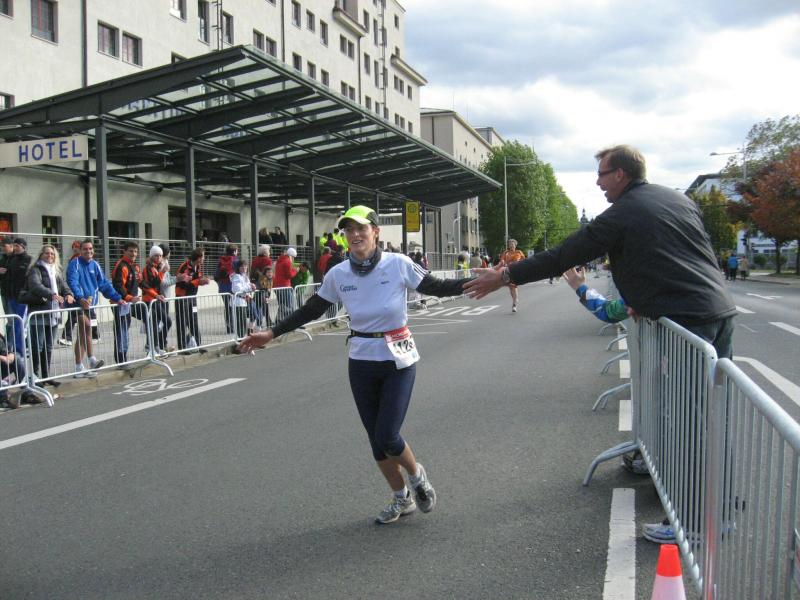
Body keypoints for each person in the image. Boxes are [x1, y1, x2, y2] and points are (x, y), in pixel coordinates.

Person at [465, 144, 737, 543]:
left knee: (688, 422)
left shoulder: (624, 212)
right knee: (714, 417)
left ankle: (696, 522)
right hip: (718, 312)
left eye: (602, 174)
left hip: (687, 319)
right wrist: (646, 298)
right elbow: (687, 257)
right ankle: (722, 508)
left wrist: (504, 276)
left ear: (621, 174)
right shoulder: (676, 200)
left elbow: (564, 254)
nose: (598, 182)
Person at [238, 205, 474, 525]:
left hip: (398, 359)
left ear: (375, 232)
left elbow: (436, 287)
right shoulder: (339, 274)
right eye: (349, 230)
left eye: (361, 228)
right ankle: (401, 498)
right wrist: (271, 333)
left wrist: (483, 280)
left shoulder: (398, 264)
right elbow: (312, 309)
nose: (355, 234)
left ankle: (417, 476)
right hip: (362, 360)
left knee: (388, 434)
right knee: (376, 441)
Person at [66, 239, 126, 378]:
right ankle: (89, 360)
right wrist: (80, 297)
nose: (88, 251)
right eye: (85, 249)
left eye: (90, 248)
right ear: (80, 251)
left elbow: (104, 284)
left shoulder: (95, 265)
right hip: (78, 303)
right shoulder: (75, 264)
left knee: (85, 332)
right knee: (85, 328)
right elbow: (72, 282)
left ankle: (81, 366)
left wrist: (117, 298)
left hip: (90, 304)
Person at [24, 244, 74, 391]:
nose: (50, 256)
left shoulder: (56, 270)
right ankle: (35, 376)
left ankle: (46, 376)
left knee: (48, 346)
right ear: (41, 255)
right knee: (37, 346)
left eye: (52, 254)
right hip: (39, 312)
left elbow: (64, 286)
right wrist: (52, 295)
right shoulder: (36, 269)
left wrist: (69, 294)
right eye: (47, 253)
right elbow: (35, 286)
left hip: (54, 313)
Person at [111, 241, 145, 365]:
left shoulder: (134, 266)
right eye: (130, 251)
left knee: (126, 329)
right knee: (122, 331)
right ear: (124, 251)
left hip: (130, 303)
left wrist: (155, 294)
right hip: (120, 303)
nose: (133, 254)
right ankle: (121, 360)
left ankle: (153, 348)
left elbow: (139, 283)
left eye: (135, 251)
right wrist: (129, 298)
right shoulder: (121, 266)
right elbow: (118, 286)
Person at [175, 248, 210, 351]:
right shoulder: (184, 266)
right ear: (198, 258)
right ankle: (182, 348)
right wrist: (198, 282)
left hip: (192, 298)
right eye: (203, 256)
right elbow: (183, 284)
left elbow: (196, 280)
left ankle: (198, 345)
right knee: (182, 323)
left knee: (194, 321)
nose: (204, 258)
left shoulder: (198, 266)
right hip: (182, 298)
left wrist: (203, 281)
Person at [141, 245, 170, 355]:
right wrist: (162, 272)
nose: (159, 258)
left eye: (160, 256)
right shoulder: (148, 268)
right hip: (149, 300)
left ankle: (155, 346)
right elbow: (153, 283)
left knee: (159, 323)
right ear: (151, 256)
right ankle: (154, 347)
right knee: (160, 322)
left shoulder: (156, 267)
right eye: (156, 255)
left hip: (156, 299)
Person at [6, 237, 32, 354]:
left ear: (23, 247)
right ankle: (17, 349)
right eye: (14, 245)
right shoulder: (12, 260)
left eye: (17, 246)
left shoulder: (29, 260)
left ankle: (20, 351)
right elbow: (9, 278)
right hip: (12, 297)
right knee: (15, 323)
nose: (15, 248)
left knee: (19, 324)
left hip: (23, 298)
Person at [58, 241, 84, 346]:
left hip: (79, 292)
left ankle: (67, 337)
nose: (75, 249)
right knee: (75, 314)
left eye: (77, 247)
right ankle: (95, 335)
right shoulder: (74, 259)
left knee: (75, 314)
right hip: (75, 291)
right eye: (74, 247)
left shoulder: (79, 260)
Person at [215, 244, 239, 334]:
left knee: (227, 307)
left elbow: (216, 275)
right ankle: (235, 326)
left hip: (222, 288)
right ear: (235, 251)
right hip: (233, 288)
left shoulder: (221, 261)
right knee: (235, 307)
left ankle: (229, 327)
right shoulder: (236, 261)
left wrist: (220, 284)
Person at [231, 259, 256, 338]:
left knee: (252, 316)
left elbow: (247, 286)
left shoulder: (245, 276)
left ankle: (248, 333)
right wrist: (250, 288)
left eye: (245, 266)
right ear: (238, 268)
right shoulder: (236, 276)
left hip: (245, 300)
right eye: (242, 266)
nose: (244, 268)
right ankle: (241, 339)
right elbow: (237, 289)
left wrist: (252, 287)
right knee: (241, 322)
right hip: (238, 302)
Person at [499, 239, 525, 313]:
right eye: (509, 244)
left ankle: (514, 304)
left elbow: (524, 260)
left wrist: (521, 266)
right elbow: (502, 260)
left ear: (515, 245)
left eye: (512, 244)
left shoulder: (519, 252)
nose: (511, 245)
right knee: (511, 287)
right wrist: (502, 262)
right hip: (508, 271)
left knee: (514, 286)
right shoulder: (506, 252)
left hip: (516, 271)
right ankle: (515, 299)